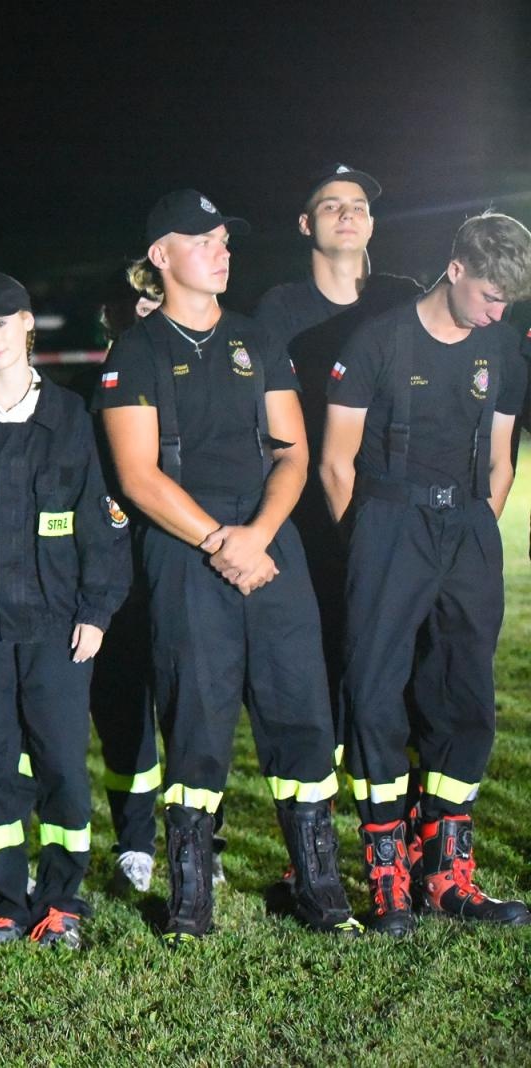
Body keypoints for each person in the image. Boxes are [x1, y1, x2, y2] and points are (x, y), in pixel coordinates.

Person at [95, 190, 359, 945]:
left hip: (268, 538)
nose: (222, 250)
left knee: (300, 710)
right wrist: (221, 542)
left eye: (225, 240)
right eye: (203, 239)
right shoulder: (135, 352)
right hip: (185, 543)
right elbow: (140, 477)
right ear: (161, 256)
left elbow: (294, 451)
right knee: (197, 716)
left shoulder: (255, 338)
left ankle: (319, 888)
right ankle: (189, 899)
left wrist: (261, 534)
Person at [321, 211, 531, 935]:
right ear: (457, 269)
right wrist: (372, 545)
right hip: (388, 522)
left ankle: (447, 870)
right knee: (376, 688)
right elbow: (334, 460)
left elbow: (501, 457)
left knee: (466, 691)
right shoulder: (378, 341)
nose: (497, 312)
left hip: (466, 529)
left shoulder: (501, 347)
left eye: (509, 301)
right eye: (489, 295)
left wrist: (475, 526)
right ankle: (387, 877)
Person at [0, 273, 130, 947]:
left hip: (56, 623)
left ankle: (62, 895)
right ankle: (7, 895)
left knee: (62, 761)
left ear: (28, 324)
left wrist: (96, 610)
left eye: (1, 326)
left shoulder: (69, 415)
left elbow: (103, 520)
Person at [254, 165, 421, 739]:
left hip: (396, 506)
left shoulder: (404, 298)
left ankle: (402, 798)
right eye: (331, 205)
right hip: (311, 517)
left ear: (372, 223)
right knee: (322, 653)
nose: (347, 213)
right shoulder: (277, 310)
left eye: (358, 205)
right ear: (305, 224)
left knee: (406, 661)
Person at [91, 259, 166, 895]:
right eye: (134, 307)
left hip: (179, 564)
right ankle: (135, 841)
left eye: (156, 304)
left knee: (192, 707)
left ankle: (206, 835)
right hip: (114, 580)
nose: (147, 316)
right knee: (123, 711)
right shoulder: (96, 393)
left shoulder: (192, 380)